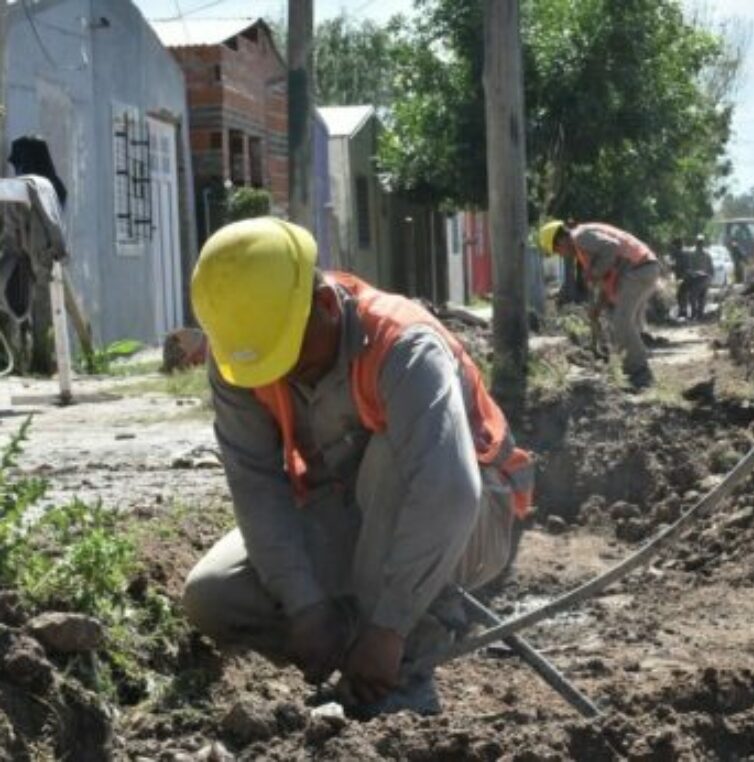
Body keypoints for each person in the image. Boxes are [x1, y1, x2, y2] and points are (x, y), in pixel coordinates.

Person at [182, 218, 533, 717]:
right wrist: (304, 606)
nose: (275, 376)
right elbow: (256, 488)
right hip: (351, 510)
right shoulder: (244, 356)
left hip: (472, 518)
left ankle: (402, 664)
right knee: (214, 595)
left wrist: (389, 626)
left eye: (288, 358)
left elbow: (449, 491)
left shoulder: (403, 346)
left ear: (325, 306)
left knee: (392, 457)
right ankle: (359, 650)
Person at [538, 220, 659, 389]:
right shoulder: (583, 248)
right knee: (620, 321)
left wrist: (593, 273)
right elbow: (607, 277)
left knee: (621, 321)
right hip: (641, 269)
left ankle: (640, 373)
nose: (561, 255)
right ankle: (629, 369)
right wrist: (598, 307)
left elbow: (612, 247)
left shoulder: (580, 237)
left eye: (557, 251)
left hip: (639, 269)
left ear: (560, 241)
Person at [686, 234, 715, 320]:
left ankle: (695, 314)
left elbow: (689, 266)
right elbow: (711, 268)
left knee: (693, 297)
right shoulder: (706, 254)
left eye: (700, 242)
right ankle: (699, 315)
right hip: (702, 278)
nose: (700, 244)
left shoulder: (692, 253)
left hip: (697, 278)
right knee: (701, 297)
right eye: (700, 242)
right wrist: (710, 277)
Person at [668, 237, 690, 320]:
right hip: (685, 276)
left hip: (681, 276)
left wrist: (671, 268)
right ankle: (684, 312)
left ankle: (682, 312)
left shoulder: (677, 254)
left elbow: (673, 265)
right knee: (683, 295)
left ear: (676, 245)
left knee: (680, 295)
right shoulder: (685, 254)